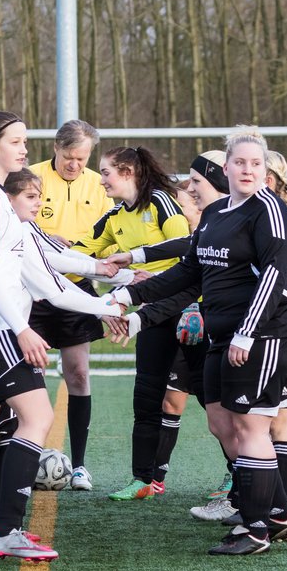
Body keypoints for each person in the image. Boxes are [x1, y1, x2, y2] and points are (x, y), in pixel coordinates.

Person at [108, 128, 287, 555]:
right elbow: (188, 271)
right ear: (227, 168)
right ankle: (275, 511)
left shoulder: (269, 211)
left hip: (264, 335)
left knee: (251, 426)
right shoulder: (218, 215)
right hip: (225, 336)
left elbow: (275, 275)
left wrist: (248, 332)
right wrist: (126, 296)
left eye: (256, 163)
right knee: (224, 423)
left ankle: (256, 527)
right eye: (240, 163)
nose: (249, 169)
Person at [0, 112, 117, 562]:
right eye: (16, 141)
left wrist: (105, 304)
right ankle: (6, 531)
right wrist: (23, 327)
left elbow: (46, 279)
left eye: (25, 141)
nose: (24, 149)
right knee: (36, 418)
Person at [71, 146, 191, 501]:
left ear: (127, 172)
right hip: (148, 314)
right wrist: (39, 248)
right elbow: (81, 253)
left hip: (186, 309)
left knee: (213, 400)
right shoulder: (113, 217)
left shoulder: (160, 203)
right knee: (147, 395)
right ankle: (143, 479)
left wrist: (147, 277)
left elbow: (186, 247)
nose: (101, 179)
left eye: (105, 172)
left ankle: (238, 475)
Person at [27, 121, 115, 490]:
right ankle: (24, 456)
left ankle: (78, 465)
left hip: (77, 289)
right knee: (27, 378)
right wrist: (46, 238)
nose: (75, 165)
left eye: (82, 158)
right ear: (55, 148)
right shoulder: (28, 177)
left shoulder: (99, 184)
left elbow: (112, 236)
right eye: (68, 157)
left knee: (78, 373)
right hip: (31, 291)